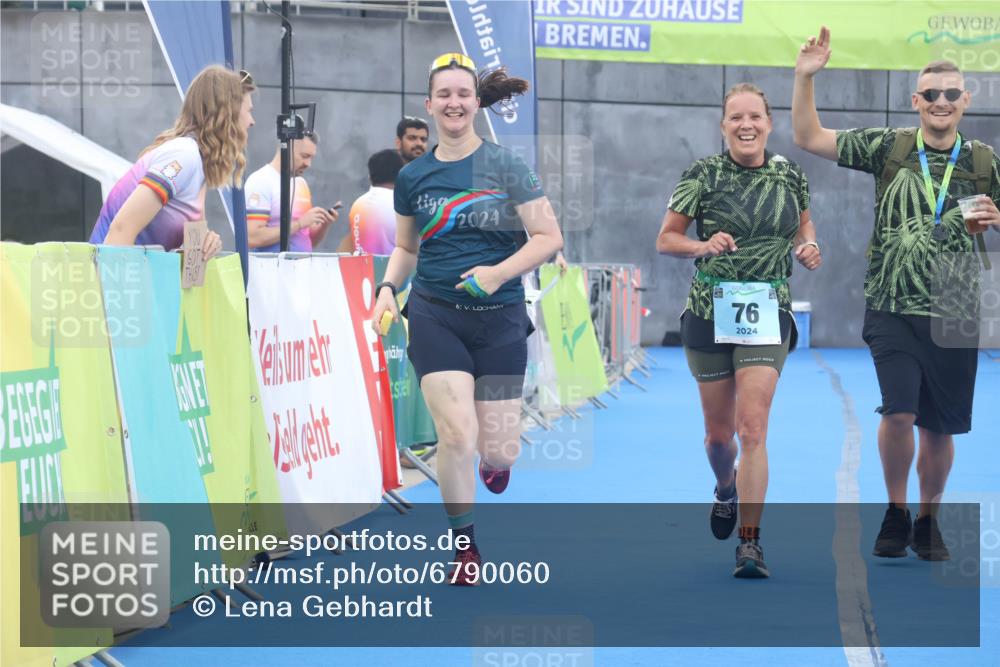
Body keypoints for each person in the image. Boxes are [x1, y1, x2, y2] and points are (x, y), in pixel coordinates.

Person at [792, 28, 1000, 560]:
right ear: (916, 102)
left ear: (965, 101)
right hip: (891, 300)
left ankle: (929, 518)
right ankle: (896, 510)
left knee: (939, 426)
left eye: (952, 93)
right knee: (899, 412)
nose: (941, 102)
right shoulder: (890, 146)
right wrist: (804, 78)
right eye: (931, 94)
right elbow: (809, 138)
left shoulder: (983, 161)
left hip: (956, 303)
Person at [372, 53, 563, 585]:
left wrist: (498, 273)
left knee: (499, 446)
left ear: (476, 103)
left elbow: (549, 239)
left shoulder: (508, 167)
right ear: (429, 105)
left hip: (499, 318)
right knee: (456, 434)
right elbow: (406, 249)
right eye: (444, 95)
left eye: (463, 94)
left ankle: (495, 461)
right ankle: (464, 548)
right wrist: (389, 288)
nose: (454, 103)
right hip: (436, 314)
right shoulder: (412, 176)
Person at [656, 83, 821, 578]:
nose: (746, 125)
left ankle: (750, 543)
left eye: (755, 117)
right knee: (719, 438)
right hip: (710, 311)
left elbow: (804, 227)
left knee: (753, 429)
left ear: (770, 123)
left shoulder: (791, 174)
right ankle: (724, 488)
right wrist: (702, 245)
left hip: (768, 311)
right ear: (723, 125)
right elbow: (666, 239)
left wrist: (808, 247)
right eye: (735, 118)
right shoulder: (702, 175)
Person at [90, 65, 256, 258]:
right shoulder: (184, 156)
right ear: (227, 115)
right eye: (248, 111)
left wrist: (209, 243)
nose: (252, 121)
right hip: (111, 280)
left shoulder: (197, 163)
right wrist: (120, 288)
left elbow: (193, 260)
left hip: (135, 279)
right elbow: (121, 230)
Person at [245, 130, 340, 252]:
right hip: (272, 269)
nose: (308, 164)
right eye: (304, 156)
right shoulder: (260, 181)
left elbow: (307, 240)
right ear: (287, 148)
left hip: (303, 268)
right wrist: (299, 224)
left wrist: (324, 225)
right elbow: (252, 238)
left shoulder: (301, 183)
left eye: (311, 157)